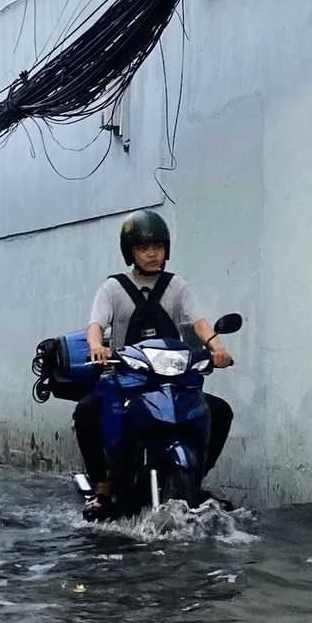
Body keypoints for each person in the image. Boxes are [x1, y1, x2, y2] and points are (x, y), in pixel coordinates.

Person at [76, 207, 233, 515]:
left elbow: (199, 322)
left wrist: (217, 348)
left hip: (173, 379)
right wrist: (97, 347)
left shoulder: (178, 286)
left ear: (166, 249)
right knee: (87, 411)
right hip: (125, 378)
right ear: (130, 252)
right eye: (143, 248)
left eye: (158, 247)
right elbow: (96, 326)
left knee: (219, 411)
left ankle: (196, 480)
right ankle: (102, 486)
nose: (152, 254)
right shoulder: (113, 288)